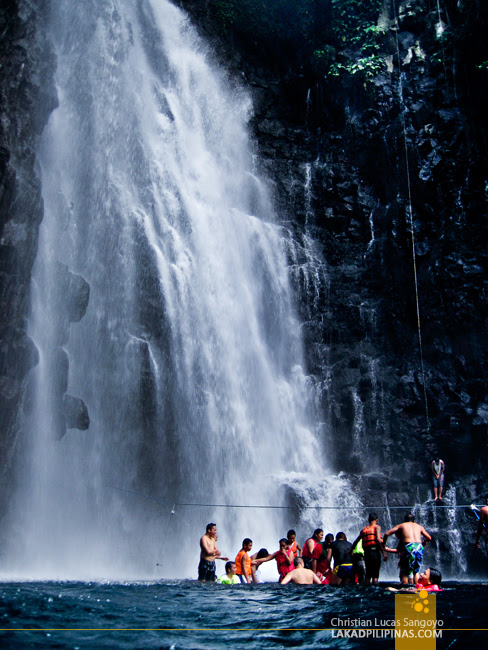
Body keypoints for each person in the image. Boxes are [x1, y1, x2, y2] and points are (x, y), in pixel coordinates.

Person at [383, 513, 432, 585]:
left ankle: (405, 590)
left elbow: (387, 534)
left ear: (405, 520)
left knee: (405, 571)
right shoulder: (419, 526)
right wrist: (423, 542)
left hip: (409, 546)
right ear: (414, 521)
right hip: (419, 546)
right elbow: (429, 538)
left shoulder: (401, 525)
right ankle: (417, 589)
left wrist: (383, 545)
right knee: (416, 571)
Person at [351, 512, 388, 586]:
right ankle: (374, 591)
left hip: (367, 554)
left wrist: (350, 551)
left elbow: (355, 542)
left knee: (368, 574)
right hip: (375, 552)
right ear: (376, 520)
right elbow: (378, 539)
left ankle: (366, 590)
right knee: (375, 574)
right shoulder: (377, 527)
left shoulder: (364, 530)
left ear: (368, 520)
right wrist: (384, 553)